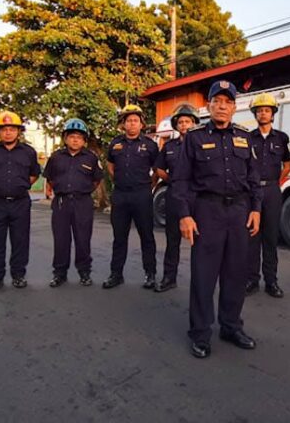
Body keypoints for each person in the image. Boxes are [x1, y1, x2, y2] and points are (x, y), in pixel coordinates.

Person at [171, 80, 262, 358]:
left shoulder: (245, 137)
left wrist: (256, 209)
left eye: (227, 102)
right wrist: (185, 215)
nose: (222, 106)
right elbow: (180, 180)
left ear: (234, 107)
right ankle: (200, 333)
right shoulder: (194, 138)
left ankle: (231, 326)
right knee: (204, 275)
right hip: (207, 212)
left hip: (239, 212)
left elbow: (254, 178)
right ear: (208, 106)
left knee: (236, 273)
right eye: (217, 101)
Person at [0, 111, 40, 292]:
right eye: (4, 129)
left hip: (20, 202)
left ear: (19, 131)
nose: (8, 132)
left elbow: (34, 174)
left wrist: (23, 186)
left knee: (20, 241)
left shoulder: (28, 152)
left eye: (12, 129)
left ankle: (18, 275)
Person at [103, 104, 159, 290]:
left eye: (135, 120)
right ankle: (116, 274)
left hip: (142, 195)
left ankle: (150, 274)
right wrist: (119, 180)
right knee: (119, 237)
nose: (132, 124)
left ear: (141, 124)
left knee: (147, 236)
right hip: (120, 195)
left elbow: (157, 170)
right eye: (129, 121)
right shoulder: (115, 143)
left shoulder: (150, 145)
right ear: (123, 124)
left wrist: (148, 186)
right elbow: (110, 166)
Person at [44, 118, 103, 287]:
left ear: (84, 140)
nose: (75, 139)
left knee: (83, 239)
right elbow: (50, 178)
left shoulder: (91, 158)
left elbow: (96, 181)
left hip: (82, 202)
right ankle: (59, 274)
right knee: (61, 240)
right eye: (71, 136)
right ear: (65, 138)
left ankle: (84, 272)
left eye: (79, 137)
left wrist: (82, 191)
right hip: (62, 202)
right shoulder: (56, 157)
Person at [245, 93, 290, 298]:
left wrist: (274, 183)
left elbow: (287, 166)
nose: (263, 113)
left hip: (272, 191)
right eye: (259, 110)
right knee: (252, 238)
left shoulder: (282, 138)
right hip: (251, 192)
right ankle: (251, 280)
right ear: (255, 114)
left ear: (273, 113)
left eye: (266, 110)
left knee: (271, 238)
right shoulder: (247, 138)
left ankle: (271, 282)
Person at [153, 103, 200, 293]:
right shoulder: (170, 146)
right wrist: (173, 180)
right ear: (176, 125)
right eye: (181, 122)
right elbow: (159, 169)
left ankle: (201, 281)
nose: (184, 125)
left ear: (194, 123)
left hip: (198, 197)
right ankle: (169, 278)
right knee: (172, 241)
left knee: (200, 242)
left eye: (188, 121)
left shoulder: (203, 144)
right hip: (175, 196)